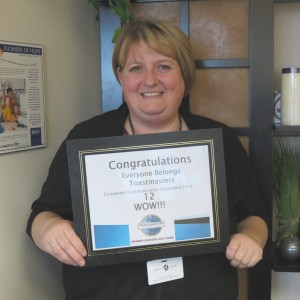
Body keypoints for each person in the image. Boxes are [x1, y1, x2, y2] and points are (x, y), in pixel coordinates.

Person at [26, 19, 268, 300]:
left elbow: (254, 214)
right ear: (120, 76)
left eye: (163, 66)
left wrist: (252, 237)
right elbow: (41, 214)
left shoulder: (219, 140)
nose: (150, 80)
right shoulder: (87, 139)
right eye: (136, 68)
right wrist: (49, 230)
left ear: (184, 75)